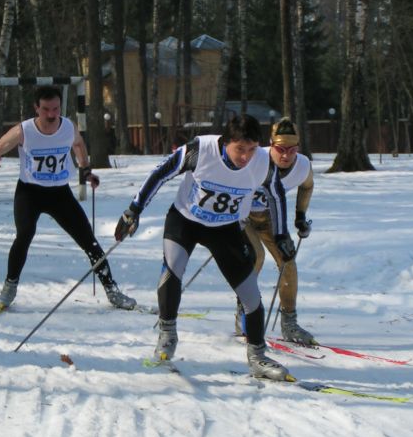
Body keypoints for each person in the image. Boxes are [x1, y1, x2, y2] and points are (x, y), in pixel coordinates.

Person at [114, 114, 297, 380]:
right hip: (185, 221)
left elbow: (276, 193)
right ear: (226, 143)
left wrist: (281, 234)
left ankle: (257, 356)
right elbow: (160, 174)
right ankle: (167, 335)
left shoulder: (262, 163)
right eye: (240, 149)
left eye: (252, 149)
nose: (246, 157)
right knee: (172, 271)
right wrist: (134, 209)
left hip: (225, 229)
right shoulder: (200, 150)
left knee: (250, 294)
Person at [0, 85, 136, 311]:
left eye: (55, 109)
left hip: (59, 193)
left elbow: (78, 144)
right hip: (30, 192)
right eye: (46, 109)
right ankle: (10, 286)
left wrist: (85, 170)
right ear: (36, 108)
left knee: (88, 239)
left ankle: (112, 290)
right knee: (25, 234)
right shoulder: (24, 131)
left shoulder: (68, 127)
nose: (51, 114)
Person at [236, 118, 315, 345]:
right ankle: (244, 312)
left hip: (271, 219)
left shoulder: (302, 166)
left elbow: (307, 185)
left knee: (288, 261)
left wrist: (300, 216)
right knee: (256, 256)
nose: (285, 155)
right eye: (280, 149)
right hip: (244, 217)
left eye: (291, 149)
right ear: (271, 145)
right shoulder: (255, 159)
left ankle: (289, 323)